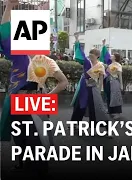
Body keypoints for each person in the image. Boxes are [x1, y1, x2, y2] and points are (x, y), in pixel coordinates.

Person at [0, 0, 68, 177]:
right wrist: (9, 7)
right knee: (19, 137)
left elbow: (63, 82)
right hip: (15, 100)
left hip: (32, 103)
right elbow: (4, 33)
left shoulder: (46, 61)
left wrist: (45, 98)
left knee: (35, 139)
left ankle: (38, 170)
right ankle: (21, 163)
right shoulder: (19, 55)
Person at [70, 35, 112, 131]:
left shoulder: (100, 65)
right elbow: (80, 54)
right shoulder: (87, 62)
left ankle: (98, 126)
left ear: (97, 56)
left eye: (92, 54)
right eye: (90, 53)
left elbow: (101, 77)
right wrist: (77, 41)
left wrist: (100, 89)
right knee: (80, 104)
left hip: (93, 87)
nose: (90, 55)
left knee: (97, 107)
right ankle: (74, 123)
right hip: (84, 85)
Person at [103, 46, 124, 120]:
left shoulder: (117, 65)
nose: (111, 56)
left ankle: (117, 113)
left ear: (115, 57)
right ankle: (110, 110)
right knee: (108, 96)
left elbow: (119, 75)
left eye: (112, 55)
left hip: (114, 81)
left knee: (115, 97)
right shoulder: (110, 64)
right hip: (108, 81)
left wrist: (121, 85)